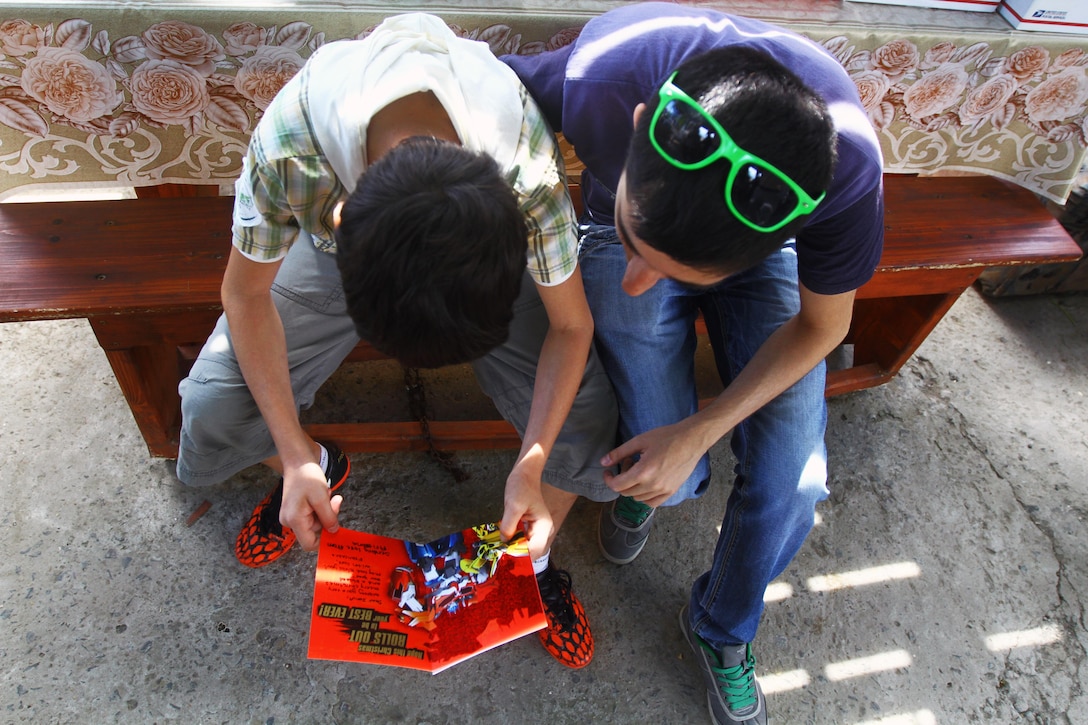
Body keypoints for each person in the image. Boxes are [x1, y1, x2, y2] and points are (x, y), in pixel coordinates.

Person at [175, 12, 617, 670]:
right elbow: (244, 295)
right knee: (214, 404)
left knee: (592, 421)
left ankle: (532, 562)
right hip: (352, 252)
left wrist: (533, 457)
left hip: (465, 255)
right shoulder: (294, 149)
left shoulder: (525, 170)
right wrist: (294, 451)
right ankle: (316, 469)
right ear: (340, 216)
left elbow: (570, 323)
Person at [504, 2, 884, 720]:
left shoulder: (845, 177)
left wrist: (702, 428)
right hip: (630, 212)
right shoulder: (602, 78)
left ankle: (722, 627)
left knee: (794, 481)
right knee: (661, 478)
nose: (637, 284)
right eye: (638, 251)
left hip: (750, 242)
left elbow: (822, 325)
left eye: (677, 273)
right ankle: (633, 239)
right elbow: (466, 78)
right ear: (641, 120)